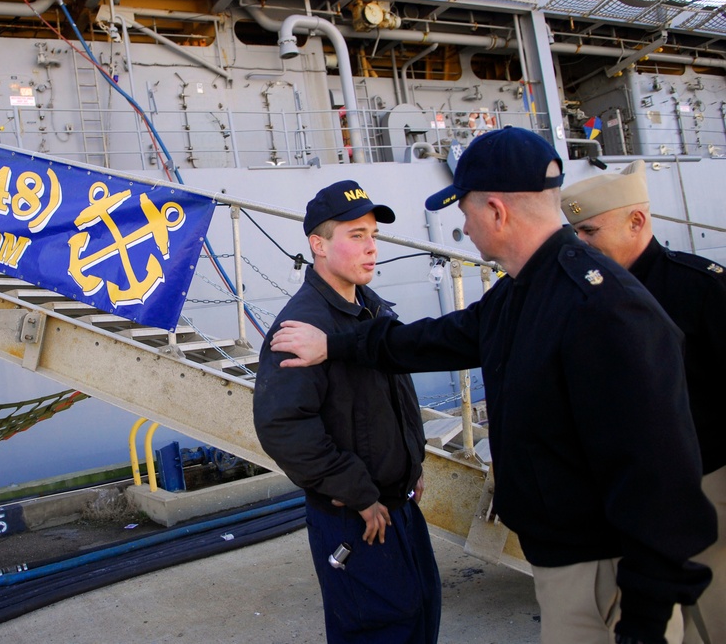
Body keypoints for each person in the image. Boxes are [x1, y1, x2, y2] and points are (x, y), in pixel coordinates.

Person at [268, 128, 716, 644]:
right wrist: (337, 345)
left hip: (603, 577)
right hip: (567, 562)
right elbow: (438, 339)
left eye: (464, 208)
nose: (460, 223)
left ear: (497, 211)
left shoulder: (605, 309)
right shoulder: (523, 294)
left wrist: (646, 618)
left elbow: (660, 475)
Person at [253, 179, 440, 643]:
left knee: (418, 616)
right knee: (379, 629)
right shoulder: (303, 326)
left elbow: (395, 396)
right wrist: (356, 492)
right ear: (318, 245)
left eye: (373, 235)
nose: (372, 248)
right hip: (356, 517)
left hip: (397, 507)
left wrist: (411, 461)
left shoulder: (372, 311)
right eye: (356, 236)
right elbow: (283, 426)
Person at [562, 161, 726, 644]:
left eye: (590, 229)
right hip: (628, 493)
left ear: (637, 221)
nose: (580, 243)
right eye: (573, 231)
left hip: (707, 484)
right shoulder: (583, 292)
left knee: (715, 620)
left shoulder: (701, 287)